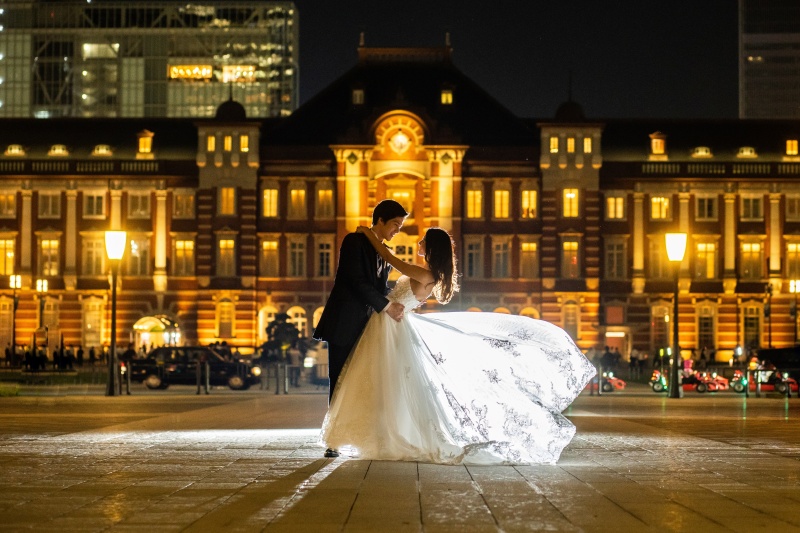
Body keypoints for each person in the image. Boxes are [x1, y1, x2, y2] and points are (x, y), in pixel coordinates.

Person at [320, 225, 596, 465]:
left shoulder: (423, 273)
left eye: (423, 241)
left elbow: (390, 257)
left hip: (392, 328)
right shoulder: (427, 273)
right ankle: (381, 432)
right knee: (389, 385)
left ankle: (387, 434)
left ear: (431, 248)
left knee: (389, 384)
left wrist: (370, 235)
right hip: (388, 326)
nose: (418, 243)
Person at [313, 199, 409, 458]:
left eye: (400, 225)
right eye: (395, 224)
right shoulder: (354, 243)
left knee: (359, 381)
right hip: (345, 321)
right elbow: (355, 280)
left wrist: (400, 300)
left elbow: (378, 289)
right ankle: (333, 440)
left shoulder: (383, 252)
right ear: (379, 221)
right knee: (340, 379)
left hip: (367, 325)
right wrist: (386, 306)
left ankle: (355, 434)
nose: (397, 230)